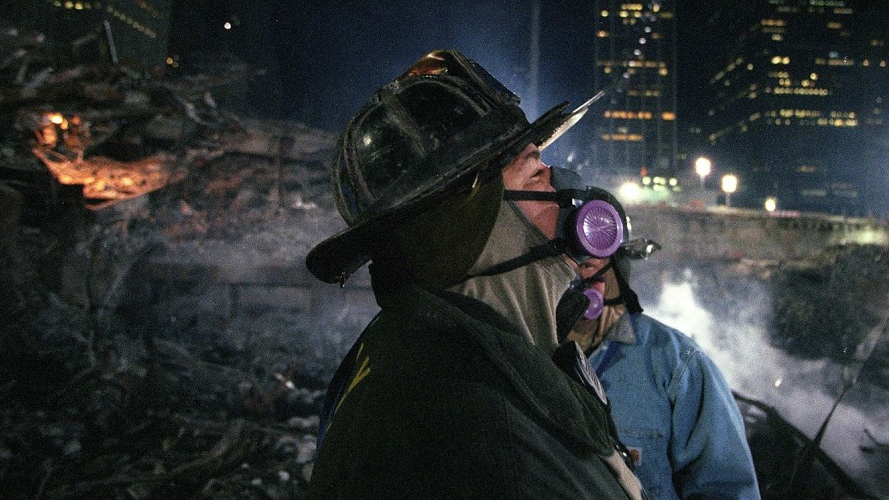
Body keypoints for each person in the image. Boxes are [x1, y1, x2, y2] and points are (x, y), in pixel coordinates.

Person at [304, 49, 643, 500]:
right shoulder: (477, 436)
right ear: (470, 226)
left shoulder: (409, 353)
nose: (565, 186)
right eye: (536, 174)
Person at [556, 174, 761, 500]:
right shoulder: (521, 351)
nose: (582, 278)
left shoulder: (677, 366)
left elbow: (727, 490)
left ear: (618, 268)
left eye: (593, 264)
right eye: (569, 264)